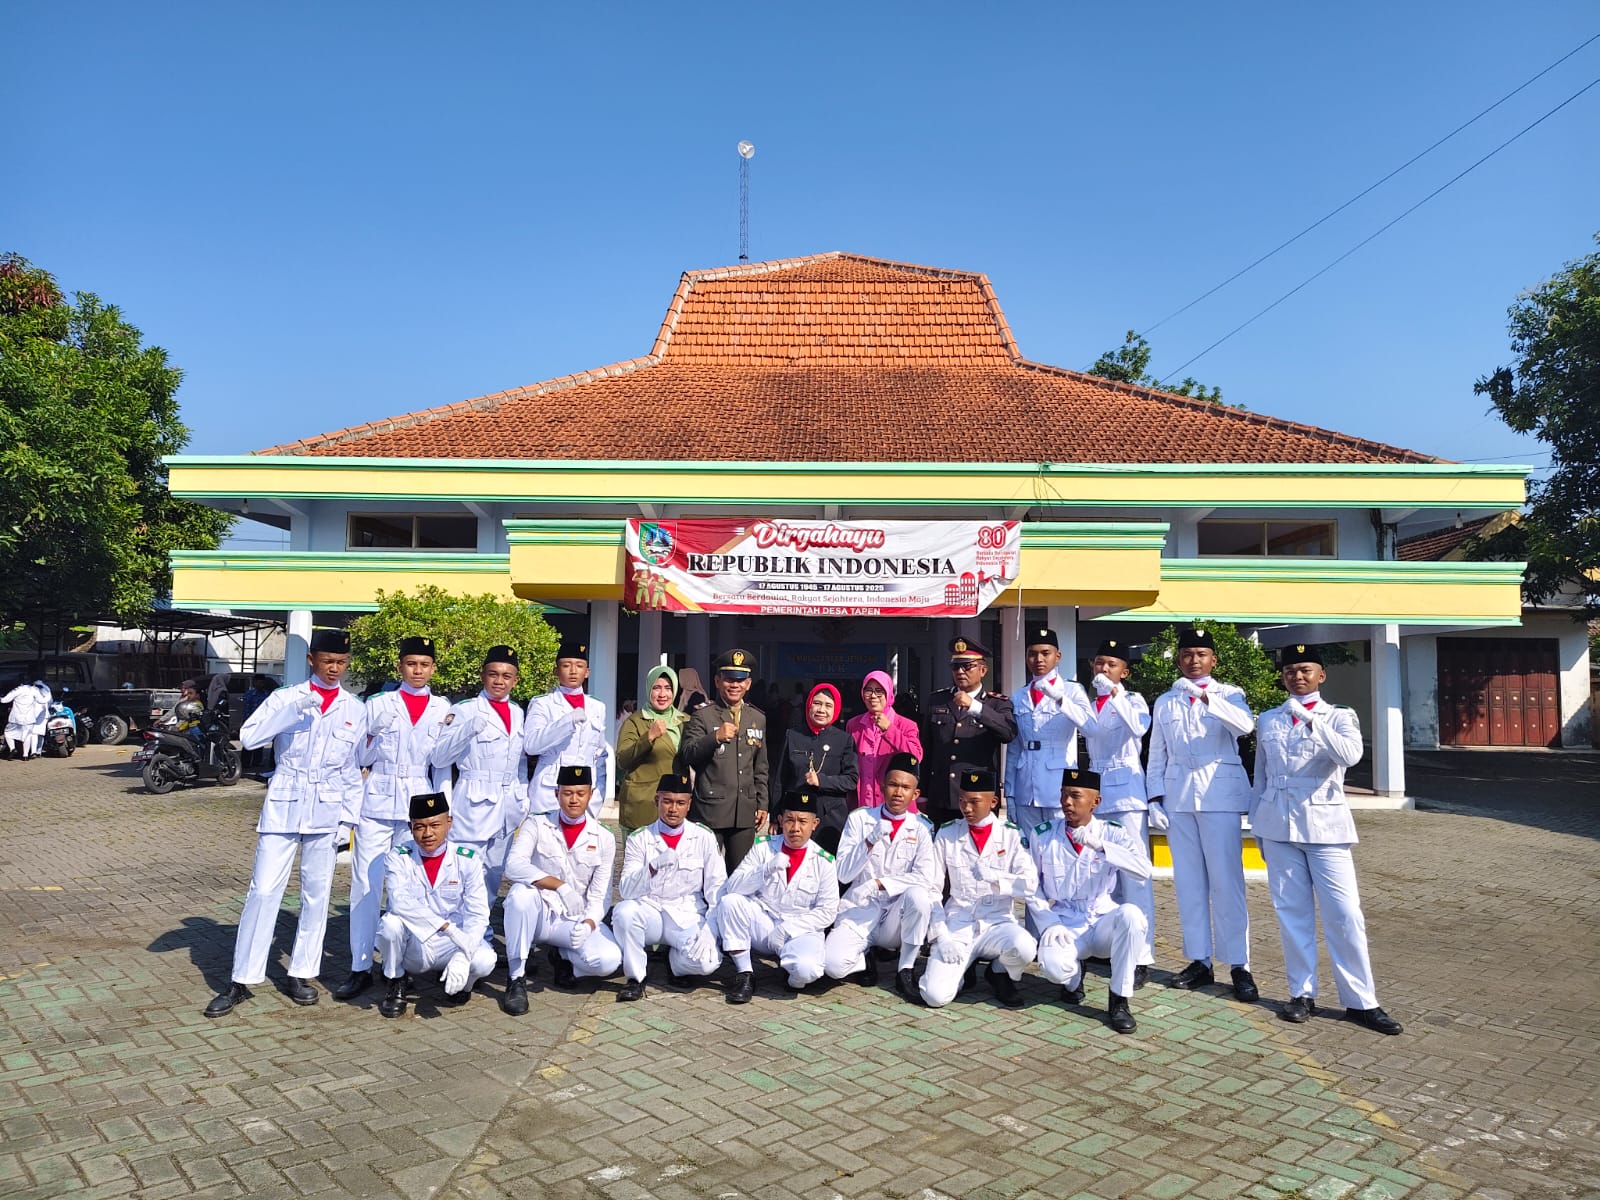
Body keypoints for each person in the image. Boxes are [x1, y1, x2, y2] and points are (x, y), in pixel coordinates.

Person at [205, 629, 367, 1017]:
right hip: (285, 804)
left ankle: (302, 971)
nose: (334, 668)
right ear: (312, 660)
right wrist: (292, 712)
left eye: (341, 662)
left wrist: (348, 821)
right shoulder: (285, 698)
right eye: (328, 661)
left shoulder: (354, 708)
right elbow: (249, 738)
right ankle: (242, 978)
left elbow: (352, 768)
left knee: (317, 894)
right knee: (263, 890)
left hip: (327, 811)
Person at [1253, 645, 1402, 1035]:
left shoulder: (1339, 716)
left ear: (1321, 675)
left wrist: (1312, 722)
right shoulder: (1269, 719)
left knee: (1345, 914)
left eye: (1305, 670)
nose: (1297, 677)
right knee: (1292, 913)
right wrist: (1257, 823)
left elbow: (1351, 756)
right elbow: (1262, 776)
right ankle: (1302, 993)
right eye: (1290, 671)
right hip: (1278, 825)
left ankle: (1361, 1001)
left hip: (1325, 824)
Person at [333, 636, 451, 1002]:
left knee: (411, 888)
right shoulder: (380, 703)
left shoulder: (442, 707)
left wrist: (445, 811)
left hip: (419, 802)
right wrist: (372, 730)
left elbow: (443, 763)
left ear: (433, 668)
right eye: (411, 663)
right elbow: (359, 756)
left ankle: (400, 966)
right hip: (379, 800)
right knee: (366, 886)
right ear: (400, 666)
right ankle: (359, 965)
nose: (418, 670)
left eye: (424, 664)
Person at [1146, 627, 1259, 1003]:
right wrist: (1154, 798)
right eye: (1187, 654)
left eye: (1201, 654)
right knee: (1189, 884)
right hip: (1179, 798)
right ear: (1178, 659)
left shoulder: (1230, 694)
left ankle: (1239, 964)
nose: (1194, 661)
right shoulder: (1166, 700)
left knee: (1228, 882)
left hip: (1219, 796)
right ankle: (1200, 960)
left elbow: (1244, 726)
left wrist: (1206, 696)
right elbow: (1157, 753)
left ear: (1214, 660)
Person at [1027, 768, 1153, 1034]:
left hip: (1101, 918)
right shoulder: (1044, 834)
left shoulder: (1112, 833)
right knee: (1052, 967)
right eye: (1063, 795)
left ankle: (1119, 998)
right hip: (1065, 921)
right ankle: (1074, 980)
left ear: (1096, 802)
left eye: (1075, 796)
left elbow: (1143, 869)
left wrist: (1102, 847)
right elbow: (1031, 888)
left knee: (1132, 916)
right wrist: (1048, 923)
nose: (1066, 802)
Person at [501, 765, 622, 1015]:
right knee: (519, 896)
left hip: (572, 920)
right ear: (557, 793)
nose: (574, 799)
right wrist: (559, 885)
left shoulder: (604, 837)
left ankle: (565, 960)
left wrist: (589, 923)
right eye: (567, 792)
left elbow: (601, 896)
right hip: (540, 915)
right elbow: (513, 866)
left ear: (591, 794)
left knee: (609, 959)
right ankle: (516, 978)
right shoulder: (537, 823)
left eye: (580, 792)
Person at [919, 769, 1039, 1009]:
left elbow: (1030, 884)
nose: (967, 808)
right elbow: (931, 889)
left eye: (975, 801)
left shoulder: (1011, 835)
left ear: (993, 802)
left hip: (997, 922)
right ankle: (962, 971)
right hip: (959, 923)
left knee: (1025, 946)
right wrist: (941, 936)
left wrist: (997, 878)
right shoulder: (948, 832)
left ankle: (999, 973)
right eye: (963, 800)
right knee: (935, 996)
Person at [373, 791, 496, 1018]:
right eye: (419, 827)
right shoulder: (398, 856)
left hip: (453, 943)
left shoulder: (467, 859)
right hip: (416, 944)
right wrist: (446, 927)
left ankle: (462, 985)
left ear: (449, 823)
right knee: (390, 924)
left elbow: (478, 913)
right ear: (411, 828)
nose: (427, 833)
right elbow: (399, 902)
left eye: (435, 825)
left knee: (486, 960)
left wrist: (463, 955)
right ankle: (396, 980)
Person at [823, 752, 937, 999]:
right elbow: (843, 873)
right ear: (882, 786)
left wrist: (880, 883)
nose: (898, 792)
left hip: (897, 912)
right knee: (832, 966)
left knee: (919, 897)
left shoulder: (922, 827)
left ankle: (904, 969)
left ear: (915, 794)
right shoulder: (860, 819)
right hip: (860, 908)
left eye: (906, 787)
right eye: (893, 784)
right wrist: (869, 841)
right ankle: (865, 956)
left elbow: (925, 877)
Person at [714, 791, 840, 1004]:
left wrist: (788, 929)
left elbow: (828, 911)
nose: (795, 828)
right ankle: (745, 973)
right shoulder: (764, 847)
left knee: (807, 970)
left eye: (802, 821)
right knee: (730, 902)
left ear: (814, 824)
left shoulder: (824, 861)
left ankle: (791, 978)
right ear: (780, 820)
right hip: (764, 922)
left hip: (799, 929)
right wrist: (765, 870)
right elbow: (732, 886)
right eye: (789, 820)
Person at [611, 773, 726, 1002]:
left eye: (680, 803)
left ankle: (676, 964)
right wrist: (651, 868)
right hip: (649, 910)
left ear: (689, 805)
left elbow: (717, 887)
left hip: (686, 914)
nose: (673, 809)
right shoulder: (640, 838)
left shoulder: (702, 837)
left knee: (707, 962)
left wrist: (710, 929)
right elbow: (626, 890)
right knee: (623, 912)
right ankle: (636, 977)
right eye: (667, 801)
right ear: (657, 801)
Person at [1080, 638, 1155, 986]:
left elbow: (1139, 727)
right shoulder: (1087, 702)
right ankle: (1112, 945)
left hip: (1126, 793)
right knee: (1105, 875)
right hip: (1097, 791)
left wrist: (1115, 694)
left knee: (1134, 877)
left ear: (1124, 671)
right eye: (1099, 663)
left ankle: (1141, 954)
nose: (1103, 670)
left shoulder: (1132, 699)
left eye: (1111, 664)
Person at [429, 646, 528, 905]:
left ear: (515, 681)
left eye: (507, 676)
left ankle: (481, 928)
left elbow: (520, 760)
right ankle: (457, 926)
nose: (499, 681)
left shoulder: (518, 712)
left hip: (508, 804)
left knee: (494, 871)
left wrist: (523, 794)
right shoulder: (465, 709)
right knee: (465, 869)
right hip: (474, 800)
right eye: (493, 674)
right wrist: (467, 731)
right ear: (482, 675)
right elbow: (439, 758)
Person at [681, 649, 769, 873]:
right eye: (729, 679)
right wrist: (715, 737)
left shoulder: (757, 718)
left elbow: (760, 766)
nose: (734, 685)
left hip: (744, 811)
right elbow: (688, 754)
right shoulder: (703, 715)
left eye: (740, 680)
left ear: (748, 684)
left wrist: (763, 804)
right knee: (703, 874)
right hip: (711, 809)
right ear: (718, 681)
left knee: (741, 875)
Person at [920, 637, 1017, 827]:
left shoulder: (997, 703)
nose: (960, 672)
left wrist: (975, 707)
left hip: (979, 796)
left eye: (967, 666)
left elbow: (1008, 733)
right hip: (942, 796)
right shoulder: (937, 700)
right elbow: (927, 750)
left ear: (983, 670)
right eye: (956, 667)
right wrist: (923, 793)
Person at [1005, 626, 1094, 833]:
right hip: (1025, 785)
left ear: (1058, 656)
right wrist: (1009, 792)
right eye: (1032, 654)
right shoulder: (1019, 696)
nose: (1039, 659)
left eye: (1045, 653)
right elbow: (1014, 749)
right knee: (1028, 849)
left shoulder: (1072, 690)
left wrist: (1060, 699)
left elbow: (1090, 727)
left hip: (1058, 785)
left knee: (1059, 845)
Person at [522, 639, 610, 820]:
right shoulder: (542, 704)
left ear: (587, 672)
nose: (572, 671)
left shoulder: (597, 706)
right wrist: (566, 722)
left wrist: (598, 793)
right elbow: (531, 745)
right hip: (549, 791)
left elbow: (599, 755)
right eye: (566, 665)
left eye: (579, 666)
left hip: (585, 792)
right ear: (556, 670)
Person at [770, 682, 858, 855]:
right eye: (817, 703)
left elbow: (851, 779)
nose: (821, 709)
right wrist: (775, 818)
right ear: (809, 704)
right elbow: (780, 779)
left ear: (836, 709)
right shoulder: (793, 735)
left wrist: (823, 780)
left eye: (828, 705)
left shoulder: (844, 740)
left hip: (830, 818)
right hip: (797, 816)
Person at [615, 664, 685, 832]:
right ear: (648, 690)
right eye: (657, 688)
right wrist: (648, 737)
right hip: (642, 807)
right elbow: (622, 760)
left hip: (675, 807)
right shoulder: (635, 721)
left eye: (668, 688)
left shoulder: (685, 721)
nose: (662, 694)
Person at [846, 671, 924, 811]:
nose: (873, 696)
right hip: (862, 805)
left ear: (888, 693)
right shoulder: (854, 724)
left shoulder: (906, 725)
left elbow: (916, 756)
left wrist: (889, 729)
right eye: (868, 690)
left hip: (893, 805)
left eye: (879, 691)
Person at [3, 678, 49, 760]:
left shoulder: (17, 690)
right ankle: (25, 755)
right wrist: (48, 695)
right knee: (27, 736)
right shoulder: (34, 690)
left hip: (15, 718)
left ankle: (12, 748)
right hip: (29, 718)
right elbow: (42, 701)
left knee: (8, 733)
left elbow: (5, 700)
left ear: (20, 683)